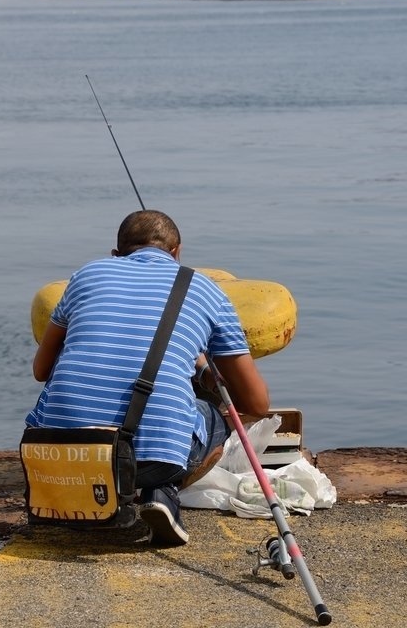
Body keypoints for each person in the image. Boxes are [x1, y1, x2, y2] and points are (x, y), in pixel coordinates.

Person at [27, 210, 270, 546]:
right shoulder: (205, 289)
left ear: (116, 254)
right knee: (211, 415)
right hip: (150, 462)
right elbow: (257, 403)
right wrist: (202, 371)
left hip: (62, 454)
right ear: (177, 251)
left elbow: (41, 370)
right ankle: (162, 489)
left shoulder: (85, 276)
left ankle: (103, 491)